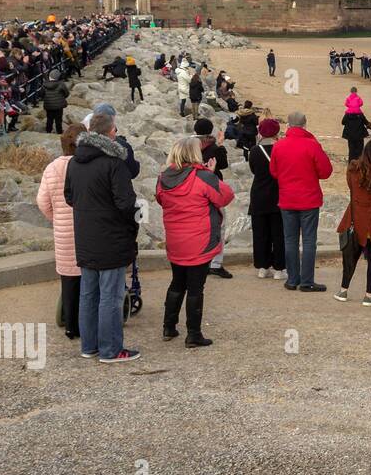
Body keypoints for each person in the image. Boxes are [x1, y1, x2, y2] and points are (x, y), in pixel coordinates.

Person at [63, 110, 140, 362]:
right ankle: (110, 350)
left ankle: (89, 346)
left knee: (88, 294)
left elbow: (69, 197)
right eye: (115, 129)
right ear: (110, 132)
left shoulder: (74, 162)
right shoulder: (113, 163)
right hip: (111, 237)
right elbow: (125, 203)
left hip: (86, 236)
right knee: (110, 296)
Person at [156, 136, 235, 347]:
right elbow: (226, 196)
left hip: (175, 239)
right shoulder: (202, 177)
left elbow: (161, 199)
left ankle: (169, 327)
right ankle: (193, 334)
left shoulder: (163, 177)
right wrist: (209, 172)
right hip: (199, 241)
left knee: (177, 282)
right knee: (195, 287)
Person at [270, 111, 333, 292]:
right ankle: (306, 281)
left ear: (288, 126)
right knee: (308, 240)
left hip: (287, 199)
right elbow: (326, 171)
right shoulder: (312, 145)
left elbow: (273, 172)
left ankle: (292, 279)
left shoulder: (279, 146)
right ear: (305, 125)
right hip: (309, 199)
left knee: (290, 240)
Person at [36, 124, 86, 338]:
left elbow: (42, 201)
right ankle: (87, 324)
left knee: (68, 279)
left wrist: (56, 218)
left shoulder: (53, 167)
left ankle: (70, 326)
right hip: (87, 229)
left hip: (63, 231)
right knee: (88, 279)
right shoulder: (86, 165)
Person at [335, 138, 371, 305]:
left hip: (357, 217)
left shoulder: (353, 170)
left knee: (350, 256)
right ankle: (369, 295)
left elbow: (351, 188)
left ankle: (343, 290)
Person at [193, 118, 233, 279]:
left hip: (193, 190)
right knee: (219, 226)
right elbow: (223, 165)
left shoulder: (190, 147)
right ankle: (215, 263)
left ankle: (198, 260)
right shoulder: (215, 148)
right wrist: (221, 145)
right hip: (212, 189)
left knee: (197, 227)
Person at [247, 117, 286, 279]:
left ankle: (262, 267)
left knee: (260, 233)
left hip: (258, 195)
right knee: (278, 233)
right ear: (276, 132)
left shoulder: (254, 151)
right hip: (278, 195)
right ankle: (279, 268)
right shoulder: (281, 149)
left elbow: (254, 170)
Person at [341, 88, 371, 162]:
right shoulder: (360, 114)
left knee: (351, 151)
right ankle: (359, 163)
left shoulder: (347, 114)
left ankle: (351, 163)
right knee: (360, 150)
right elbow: (366, 122)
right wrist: (369, 125)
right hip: (359, 135)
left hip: (350, 135)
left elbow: (343, 122)